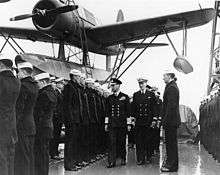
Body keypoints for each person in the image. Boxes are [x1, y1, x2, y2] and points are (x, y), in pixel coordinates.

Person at [14, 62, 38, 175]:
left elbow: (20, 108)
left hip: (22, 126)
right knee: (30, 155)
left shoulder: (22, 86)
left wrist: (14, 124)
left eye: (18, 72)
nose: (17, 74)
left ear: (23, 72)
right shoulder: (35, 85)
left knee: (22, 157)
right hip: (31, 124)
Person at [0, 54, 21, 175]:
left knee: (1, 156)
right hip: (11, 124)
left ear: (1, 65)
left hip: (1, 124)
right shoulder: (17, 82)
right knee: (10, 155)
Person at [34, 72, 57, 175]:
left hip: (41, 127)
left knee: (40, 154)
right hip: (48, 126)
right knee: (44, 153)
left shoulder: (43, 94)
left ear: (43, 82)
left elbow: (38, 112)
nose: (37, 85)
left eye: (38, 83)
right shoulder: (53, 92)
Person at [105, 78, 131, 168]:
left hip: (122, 124)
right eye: (111, 85)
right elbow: (107, 112)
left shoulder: (125, 97)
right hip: (112, 124)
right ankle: (111, 161)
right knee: (111, 142)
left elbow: (128, 112)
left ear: (118, 85)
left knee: (121, 142)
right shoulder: (109, 98)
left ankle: (123, 158)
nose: (112, 87)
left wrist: (128, 124)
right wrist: (106, 123)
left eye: (113, 85)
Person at [132, 77, 157, 165]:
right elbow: (134, 108)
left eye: (142, 83)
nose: (141, 85)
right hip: (139, 121)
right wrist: (133, 119)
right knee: (139, 141)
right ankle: (140, 158)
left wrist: (154, 119)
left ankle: (148, 157)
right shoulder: (136, 95)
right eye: (140, 83)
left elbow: (154, 108)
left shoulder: (151, 94)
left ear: (146, 84)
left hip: (148, 121)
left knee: (148, 140)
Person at [160, 72, 181, 172]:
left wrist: (165, 121)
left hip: (171, 121)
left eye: (164, 76)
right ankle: (172, 164)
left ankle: (171, 166)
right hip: (171, 121)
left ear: (170, 76)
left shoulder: (171, 88)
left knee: (171, 144)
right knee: (171, 144)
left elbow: (170, 107)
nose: (163, 78)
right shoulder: (171, 86)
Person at [63, 69, 82, 171]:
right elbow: (67, 105)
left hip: (75, 119)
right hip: (71, 120)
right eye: (78, 77)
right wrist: (69, 120)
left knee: (73, 142)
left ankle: (72, 163)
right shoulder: (69, 87)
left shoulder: (74, 87)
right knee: (70, 143)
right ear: (74, 77)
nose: (79, 79)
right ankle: (69, 165)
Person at [49, 77, 64, 160]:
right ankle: (53, 152)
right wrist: (56, 115)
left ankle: (55, 151)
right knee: (54, 135)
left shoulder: (60, 93)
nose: (62, 85)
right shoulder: (56, 93)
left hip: (59, 118)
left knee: (57, 135)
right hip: (56, 118)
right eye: (60, 83)